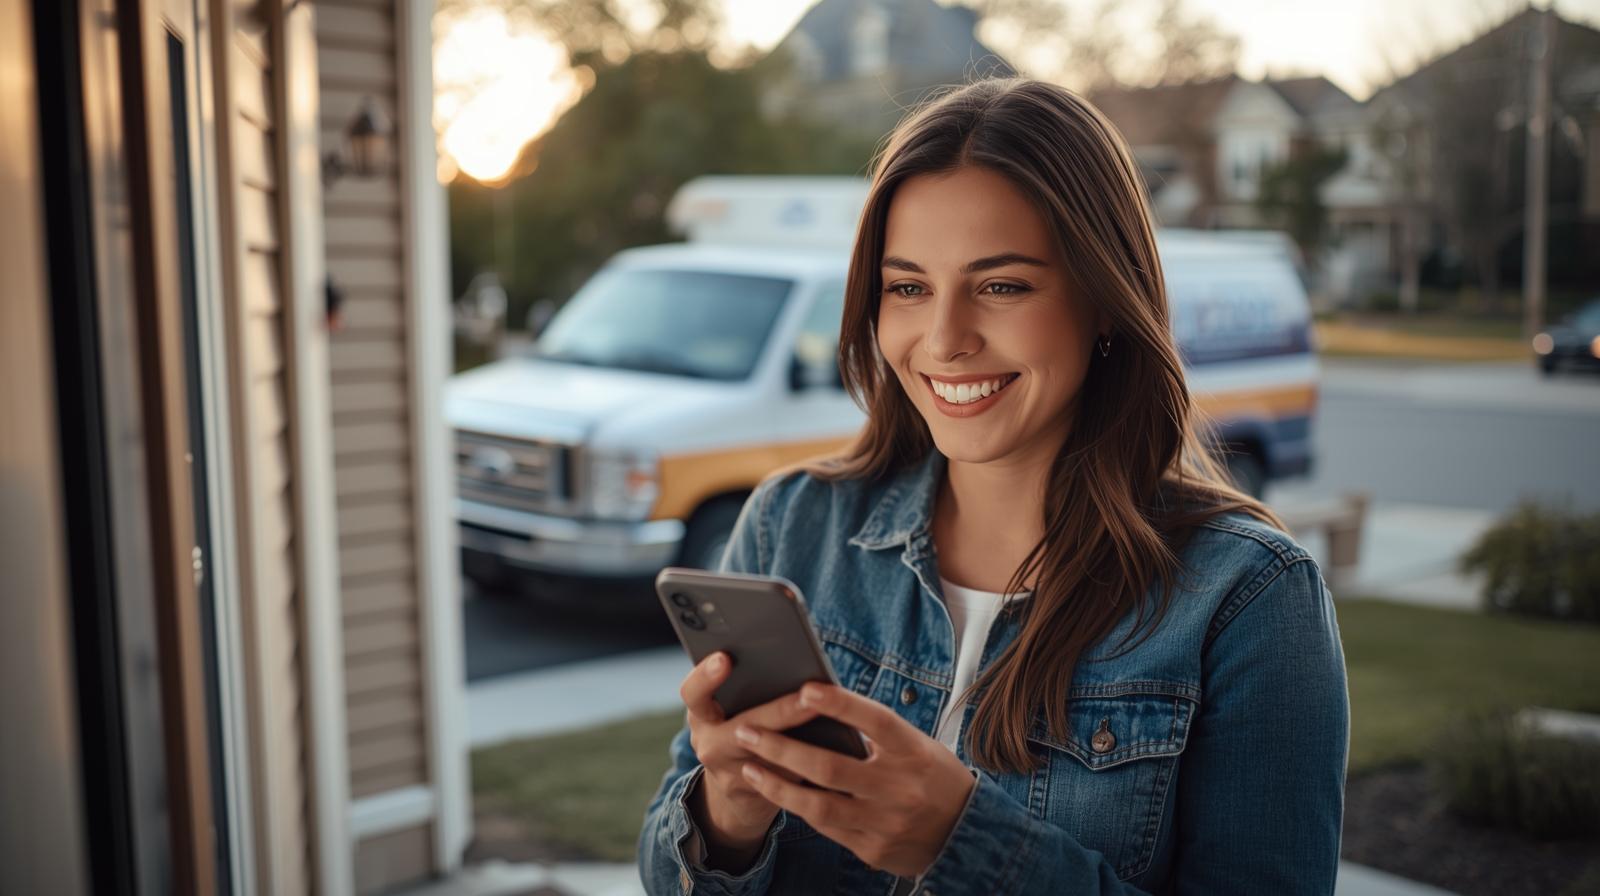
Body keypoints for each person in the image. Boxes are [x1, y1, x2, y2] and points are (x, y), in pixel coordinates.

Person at [637, 78, 1348, 895]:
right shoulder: (793, 525)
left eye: (1002, 286)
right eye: (908, 287)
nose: (943, 340)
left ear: (1105, 301)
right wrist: (728, 806)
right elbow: (667, 874)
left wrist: (960, 840)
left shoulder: (1249, 600)